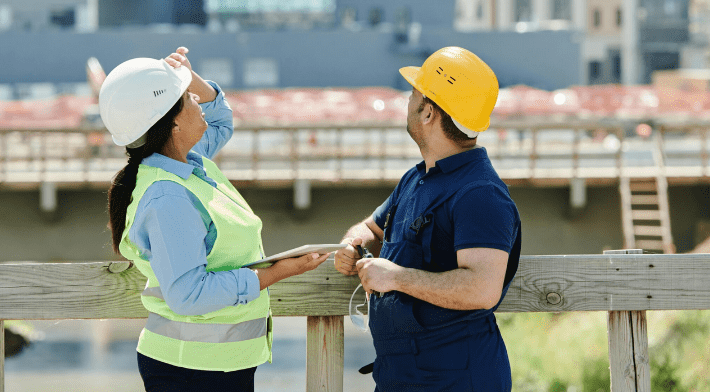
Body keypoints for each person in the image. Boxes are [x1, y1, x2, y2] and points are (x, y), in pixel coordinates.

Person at [100, 47, 329, 392]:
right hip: (191, 370)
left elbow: (219, 118)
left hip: (215, 365)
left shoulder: (191, 163)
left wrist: (189, 78)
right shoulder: (169, 197)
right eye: (188, 97)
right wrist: (279, 272)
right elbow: (189, 295)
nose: (197, 98)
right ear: (174, 122)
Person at [334, 46, 522, 391]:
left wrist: (397, 278)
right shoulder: (417, 178)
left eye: (413, 95)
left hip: (457, 381)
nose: (407, 102)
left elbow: (482, 289)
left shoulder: (480, 193)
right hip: (401, 377)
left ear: (428, 113)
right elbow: (371, 228)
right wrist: (353, 243)